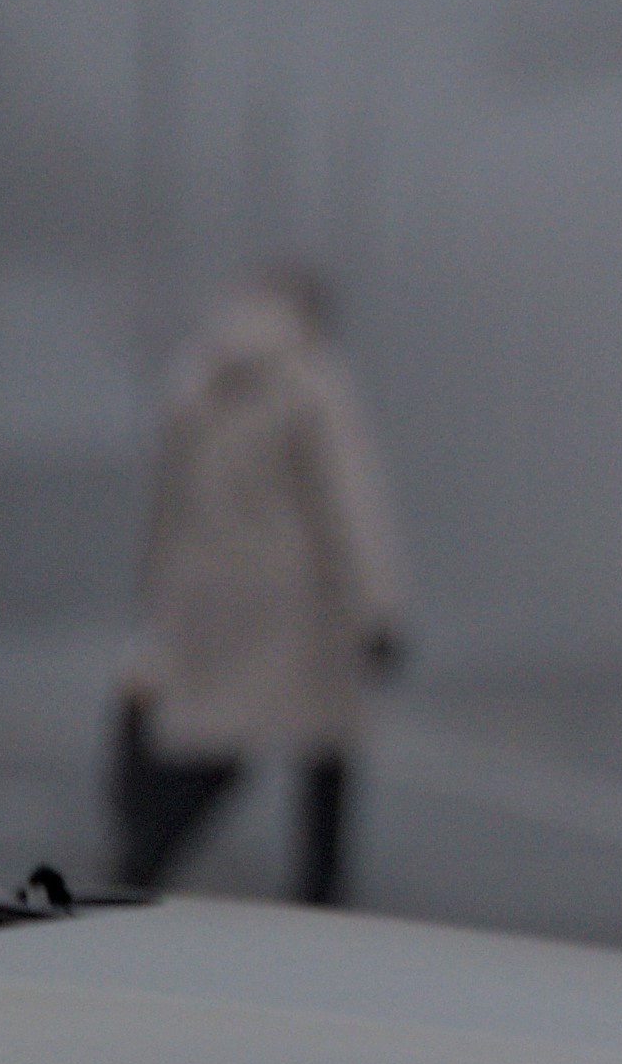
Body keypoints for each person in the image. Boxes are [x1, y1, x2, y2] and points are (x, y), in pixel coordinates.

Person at [110, 265, 408, 904]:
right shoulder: (312, 377)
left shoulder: (196, 378)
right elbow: (349, 500)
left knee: (211, 741)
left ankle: (142, 865)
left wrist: (156, 601)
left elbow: (164, 502)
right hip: (300, 603)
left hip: (206, 596)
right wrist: (379, 606)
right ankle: (321, 895)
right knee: (326, 744)